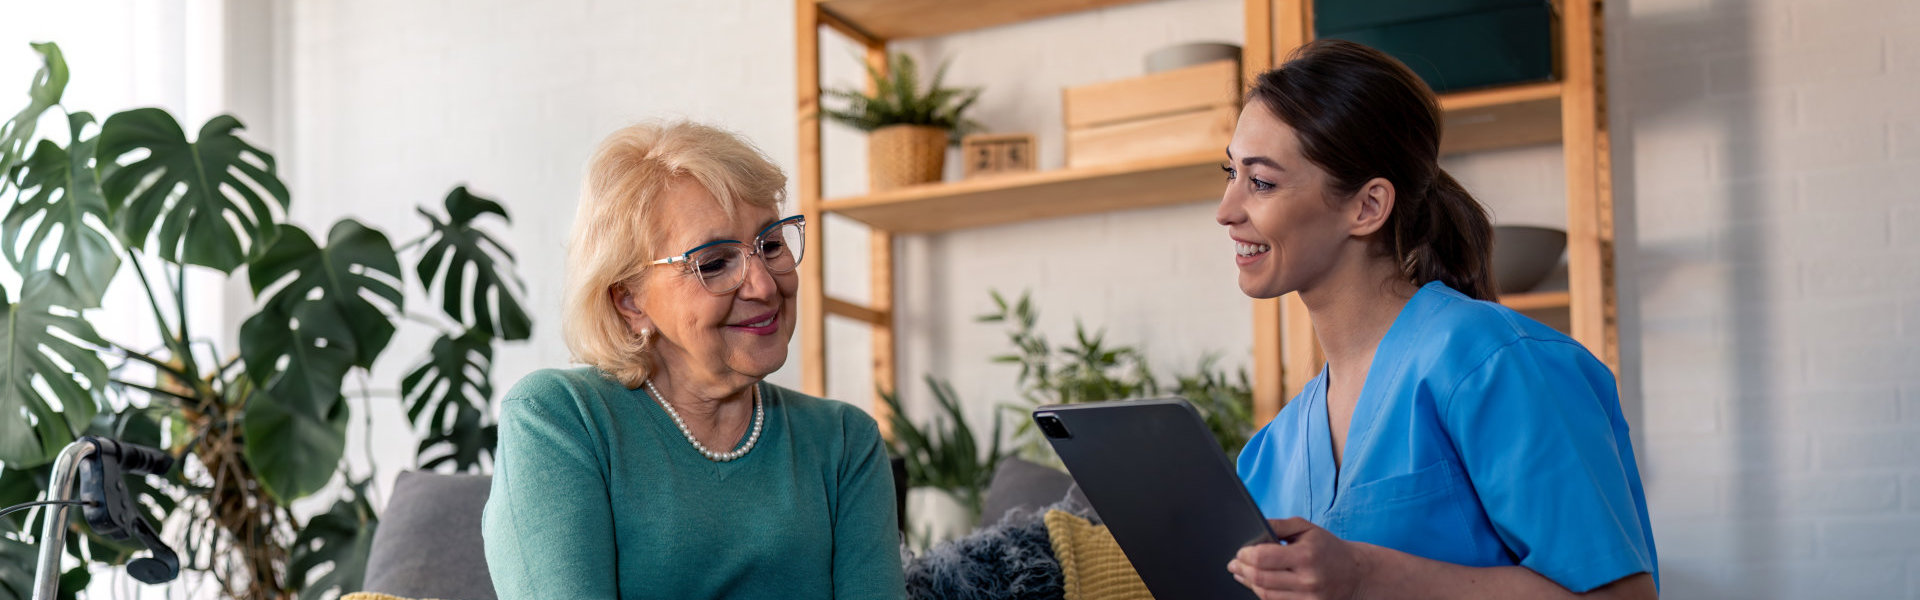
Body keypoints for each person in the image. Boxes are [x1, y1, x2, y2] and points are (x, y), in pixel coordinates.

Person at [1217, 40, 1658, 599]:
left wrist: (1365, 575)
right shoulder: (1269, 454)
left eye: (1260, 182)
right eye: (1229, 173)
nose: (1226, 210)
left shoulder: (1495, 363)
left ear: (1367, 206)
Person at [481, 121, 905, 599]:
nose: (765, 286)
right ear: (630, 300)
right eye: (715, 262)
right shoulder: (560, 419)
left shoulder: (844, 443)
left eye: (770, 245)